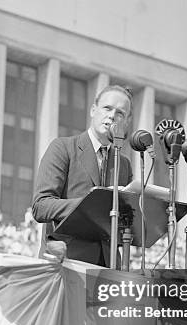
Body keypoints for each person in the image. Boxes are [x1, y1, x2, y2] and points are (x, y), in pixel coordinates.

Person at [32, 85, 134, 266]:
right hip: (67, 261)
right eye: (107, 108)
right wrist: (91, 205)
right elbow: (41, 206)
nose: (112, 116)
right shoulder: (63, 147)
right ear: (93, 110)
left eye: (120, 113)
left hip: (108, 268)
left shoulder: (124, 164)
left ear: (126, 121)